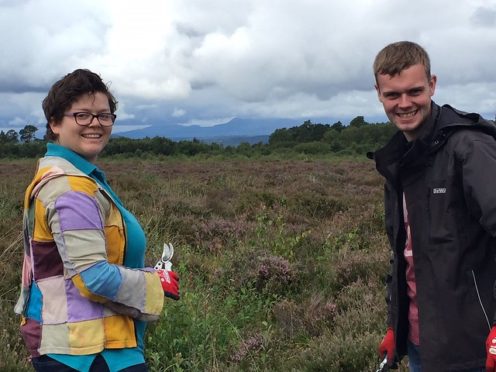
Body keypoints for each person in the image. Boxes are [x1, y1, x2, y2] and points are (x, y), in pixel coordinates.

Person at [14, 69, 180, 372]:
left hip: (90, 346)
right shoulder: (71, 188)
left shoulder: (78, 179)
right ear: (54, 123)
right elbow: (94, 276)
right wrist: (154, 284)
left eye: (104, 116)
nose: (95, 123)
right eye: (82, 115)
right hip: (86, 352)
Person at [371, 41, 496, 372]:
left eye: (414, 91)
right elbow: (405, 256)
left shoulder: (469, 149)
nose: (404, 103)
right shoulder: (399, 159)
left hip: (474, 349)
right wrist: (394, 326)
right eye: (392, 95)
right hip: (420, 343)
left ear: (433, 84)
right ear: (378, 93)